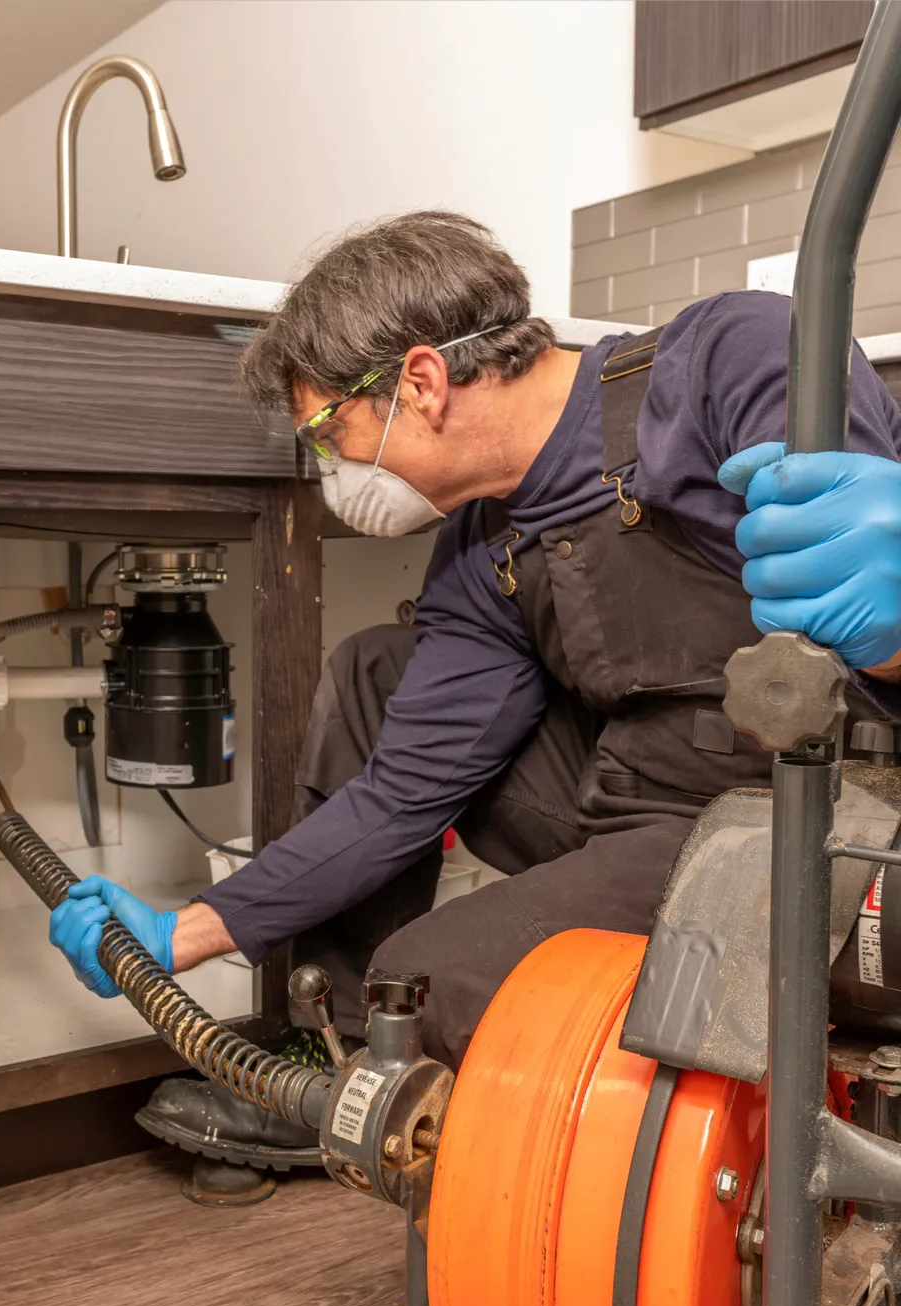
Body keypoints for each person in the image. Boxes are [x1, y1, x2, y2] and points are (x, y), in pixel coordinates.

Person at [49, 211, 901, 1167]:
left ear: (420, 381)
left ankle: (378, 1069)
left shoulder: (728, 359)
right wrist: (194, 928)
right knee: (378, 668)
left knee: (418, 984)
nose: (334, 471)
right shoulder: (477, 544)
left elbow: (866, 588)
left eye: (333, 431)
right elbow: (404, 789)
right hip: (643, 800)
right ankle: (326, 1047)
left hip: (819, 815)